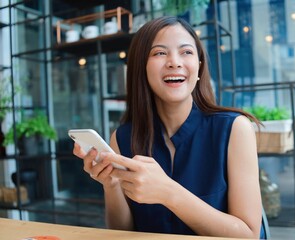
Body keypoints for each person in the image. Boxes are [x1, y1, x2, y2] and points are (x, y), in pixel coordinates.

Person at [73, 16, 265, 239]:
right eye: (159, 53)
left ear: (199, 67)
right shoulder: (122, 139)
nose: (175, 62)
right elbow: (123, 233)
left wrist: (168, 192)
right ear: (141, 68)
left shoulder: (234, 129)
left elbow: (249, 235)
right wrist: (112, 185)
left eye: (186, 52)